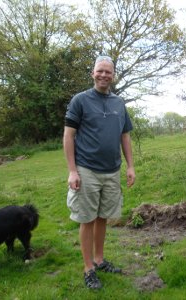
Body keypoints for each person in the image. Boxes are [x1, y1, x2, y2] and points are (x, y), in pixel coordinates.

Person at [63, 55, 135, 289]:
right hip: (87, 170)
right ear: (93, 73)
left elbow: (125, 136)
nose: (104, 75)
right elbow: (69, 136)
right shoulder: (80, 101)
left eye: (108, 71)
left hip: (112, 171)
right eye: (100, 71)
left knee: (103, 216)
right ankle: (88, 268)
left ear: (114, 75)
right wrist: (72, 171)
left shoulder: (119, 103)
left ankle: (100, 259)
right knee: (87, 218)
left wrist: (130, 166)